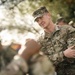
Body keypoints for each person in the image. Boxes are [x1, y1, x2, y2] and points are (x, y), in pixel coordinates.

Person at [32, 6, 75, 75]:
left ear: (48, 15)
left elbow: (73, 54)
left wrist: (53, 58)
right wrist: (63, 54)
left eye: (41, 17)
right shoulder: (39, 42)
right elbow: (42, 63)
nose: (40, 22)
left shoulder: (67, 30)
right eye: (37, 20)